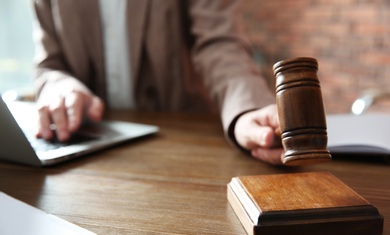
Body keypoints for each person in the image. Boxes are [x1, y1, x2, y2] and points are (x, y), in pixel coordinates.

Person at [32, 0, 284, 165]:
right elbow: (48, 65)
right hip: (88, 154)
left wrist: (246, 110)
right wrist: (62, 87)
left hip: (186, 149)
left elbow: (219, 43)